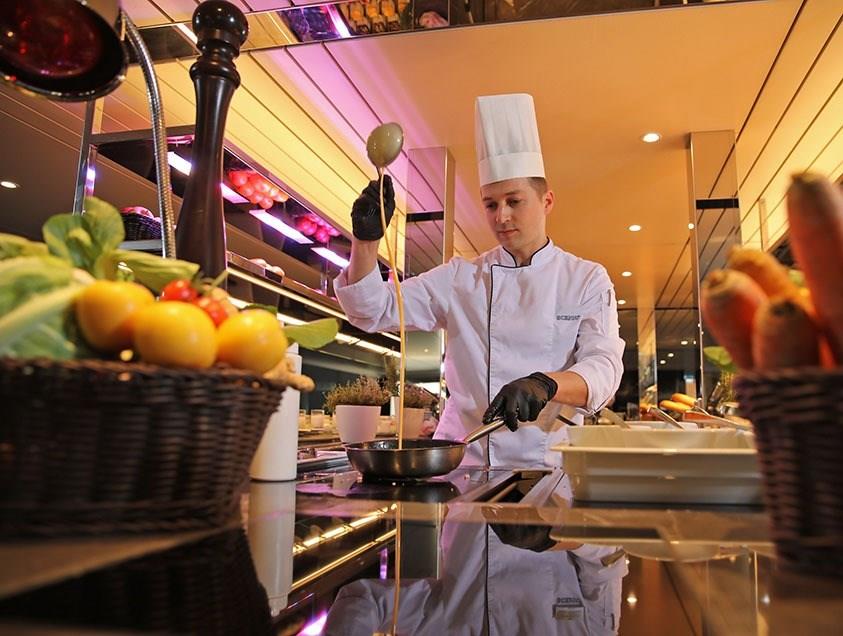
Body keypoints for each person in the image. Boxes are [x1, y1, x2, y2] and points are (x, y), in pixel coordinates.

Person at [335, 93, 624, 468]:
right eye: (490, 204)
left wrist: (546, 383)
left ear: (547, 201)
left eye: (514, 201)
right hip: (464, 463)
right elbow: (373, 310)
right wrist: (365, 242)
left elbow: (604, 368)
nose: (501, 216)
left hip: (547, 466)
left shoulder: (584, 279)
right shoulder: (461, 277)